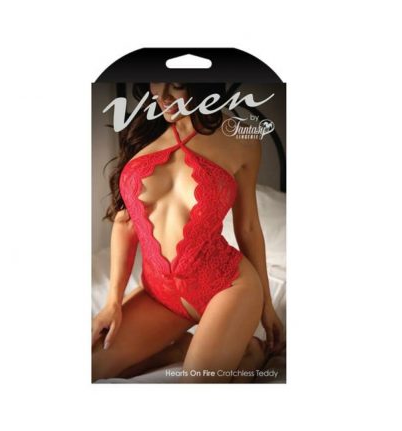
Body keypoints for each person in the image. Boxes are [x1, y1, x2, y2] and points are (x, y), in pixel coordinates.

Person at [92, 82, 284, 383]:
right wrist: (112, 301)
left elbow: (247, 225)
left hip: (226, 286)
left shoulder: (242, 139)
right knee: (91, 366)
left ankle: (254, 352)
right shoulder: (141, 133)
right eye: (156, 81)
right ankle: (183, 348)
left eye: (177, 85)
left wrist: (267, 306)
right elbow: (125, 221)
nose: (163, 95)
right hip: (161, 292)